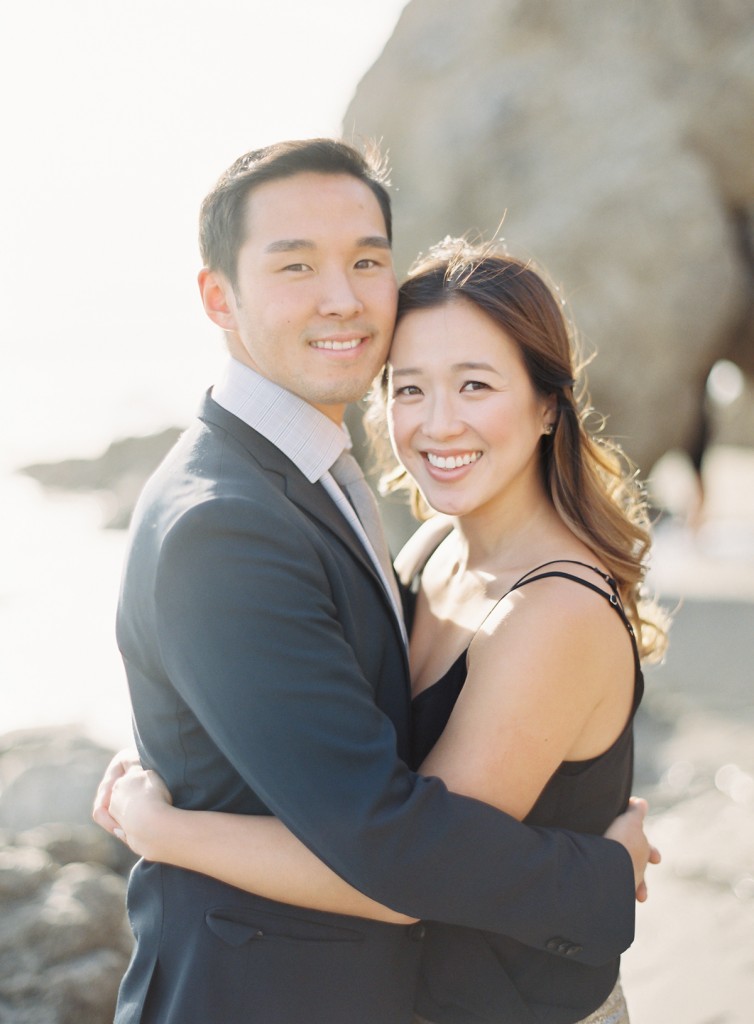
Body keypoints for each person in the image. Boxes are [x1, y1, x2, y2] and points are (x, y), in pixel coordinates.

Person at [94, 140, 656, 1024]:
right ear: (219, 298)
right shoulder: (369, 536)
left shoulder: (519, 593)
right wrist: (593, 873)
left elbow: (399, 853)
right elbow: (399, 838)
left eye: (365, 261)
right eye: (409, 389)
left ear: (549, 404)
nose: (341, 296)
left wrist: (161, 829)